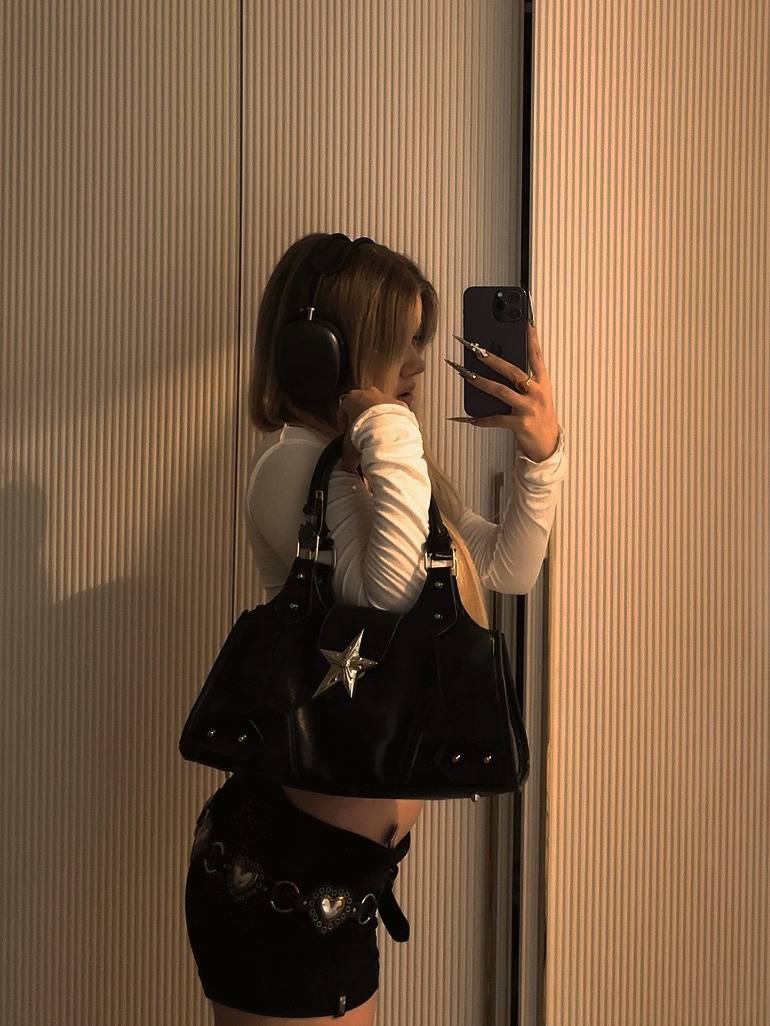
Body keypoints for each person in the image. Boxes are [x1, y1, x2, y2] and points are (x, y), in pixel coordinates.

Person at [184, 233, 568, 1025]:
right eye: (402, 342)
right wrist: (391, 429)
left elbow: (504, 568)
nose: (420, 363)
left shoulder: (372, 462)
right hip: (278, 879)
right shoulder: (294, 467)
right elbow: (389, 591)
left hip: (341, 884)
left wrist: (541, 457)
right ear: (326, 353)